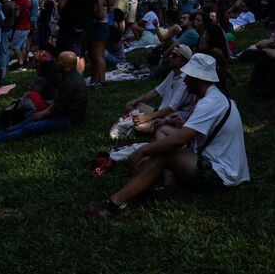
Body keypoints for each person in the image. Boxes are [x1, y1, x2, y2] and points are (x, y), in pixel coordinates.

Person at [83, 54, 249, 218]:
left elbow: (180, 139)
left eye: (187, 77)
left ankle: (114, 203)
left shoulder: (210, 102)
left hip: (222, 174)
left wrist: (143, 151)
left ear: (197, 79)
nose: (184, 80)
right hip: (218, 162)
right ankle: (163, 184)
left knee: (164, 155)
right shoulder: (213, 97)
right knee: (163, 141)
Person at [0, 51, 87, 144]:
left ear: (63, 63)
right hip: (61, 113)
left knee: (30, 127)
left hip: (68, 119)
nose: (56, 63)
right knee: (27, 121)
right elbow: (61, 101)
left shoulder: (70, 82)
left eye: (58, 60)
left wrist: (42, 114)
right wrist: (46, 104)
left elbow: (59, 107)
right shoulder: (69, 76)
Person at [123, 45, 195, 134]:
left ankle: (151, 125)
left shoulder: (185, 80)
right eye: (171, 54)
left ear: (183, 62)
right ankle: (145, 122)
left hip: (170, 117)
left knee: (139, 126)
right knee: (132, 105)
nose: (170, 57)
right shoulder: (173, 73)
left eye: (174, 56)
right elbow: (156, 91)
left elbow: (171, 109)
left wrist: (147, 117)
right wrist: (136, 101)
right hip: (160, 112)